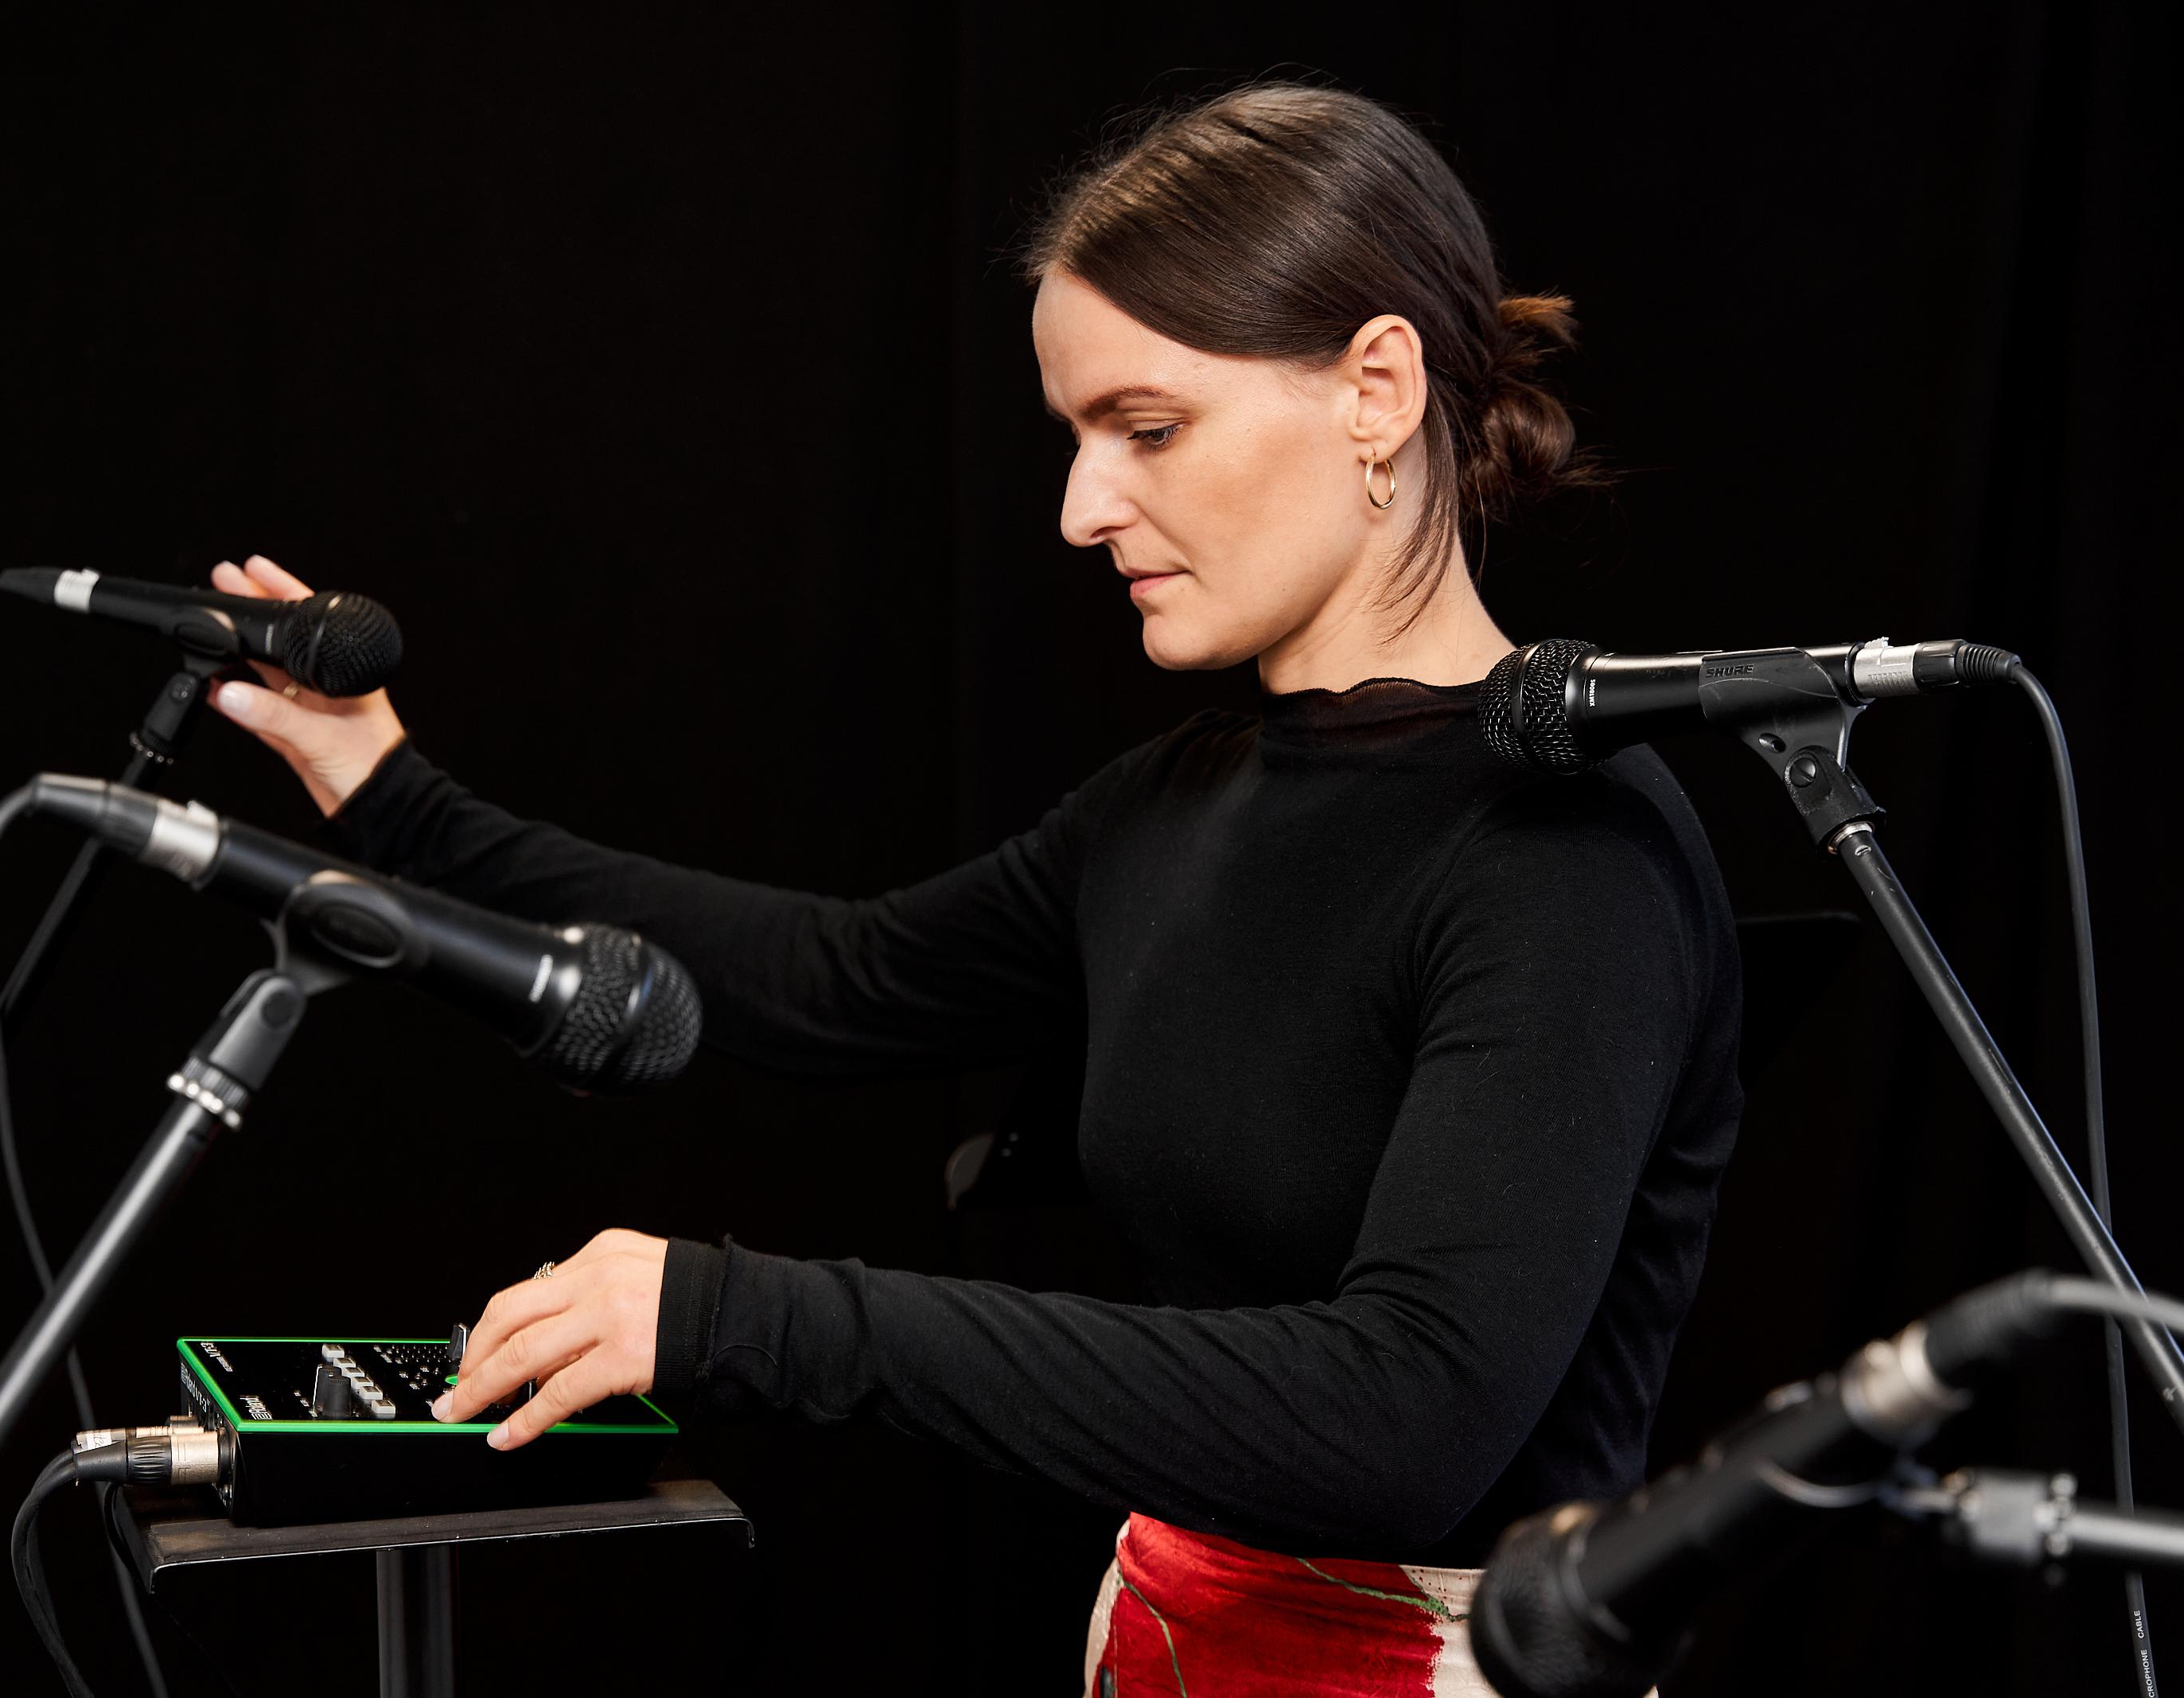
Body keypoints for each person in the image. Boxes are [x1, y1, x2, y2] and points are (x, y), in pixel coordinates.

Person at [204, 82, 1739, 1698]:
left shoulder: (1565, 848)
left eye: (1144, 431)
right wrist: (390, 794)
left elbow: (1407, 1421)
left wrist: (747, 1315)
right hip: (1164, 1637)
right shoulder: (1185, 796)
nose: (1081, 511)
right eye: (1074, 439)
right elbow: (828, 974)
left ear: (1374, 388)